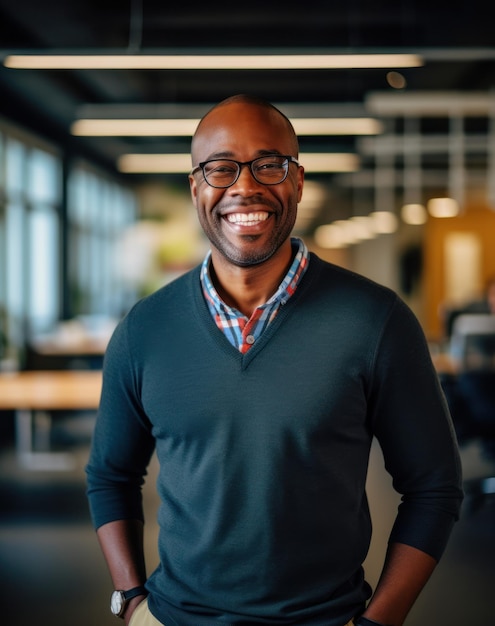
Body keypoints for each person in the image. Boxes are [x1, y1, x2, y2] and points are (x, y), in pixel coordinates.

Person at [86, 94, 463, 626]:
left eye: (269, 165)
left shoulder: (376, 321)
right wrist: (129, 601)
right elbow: (109, 476)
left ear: (299, 181)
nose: (245, 186)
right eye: (221, 168)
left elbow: (434, 487)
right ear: (197, 188)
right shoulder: (143, 329)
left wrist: (380, 623)